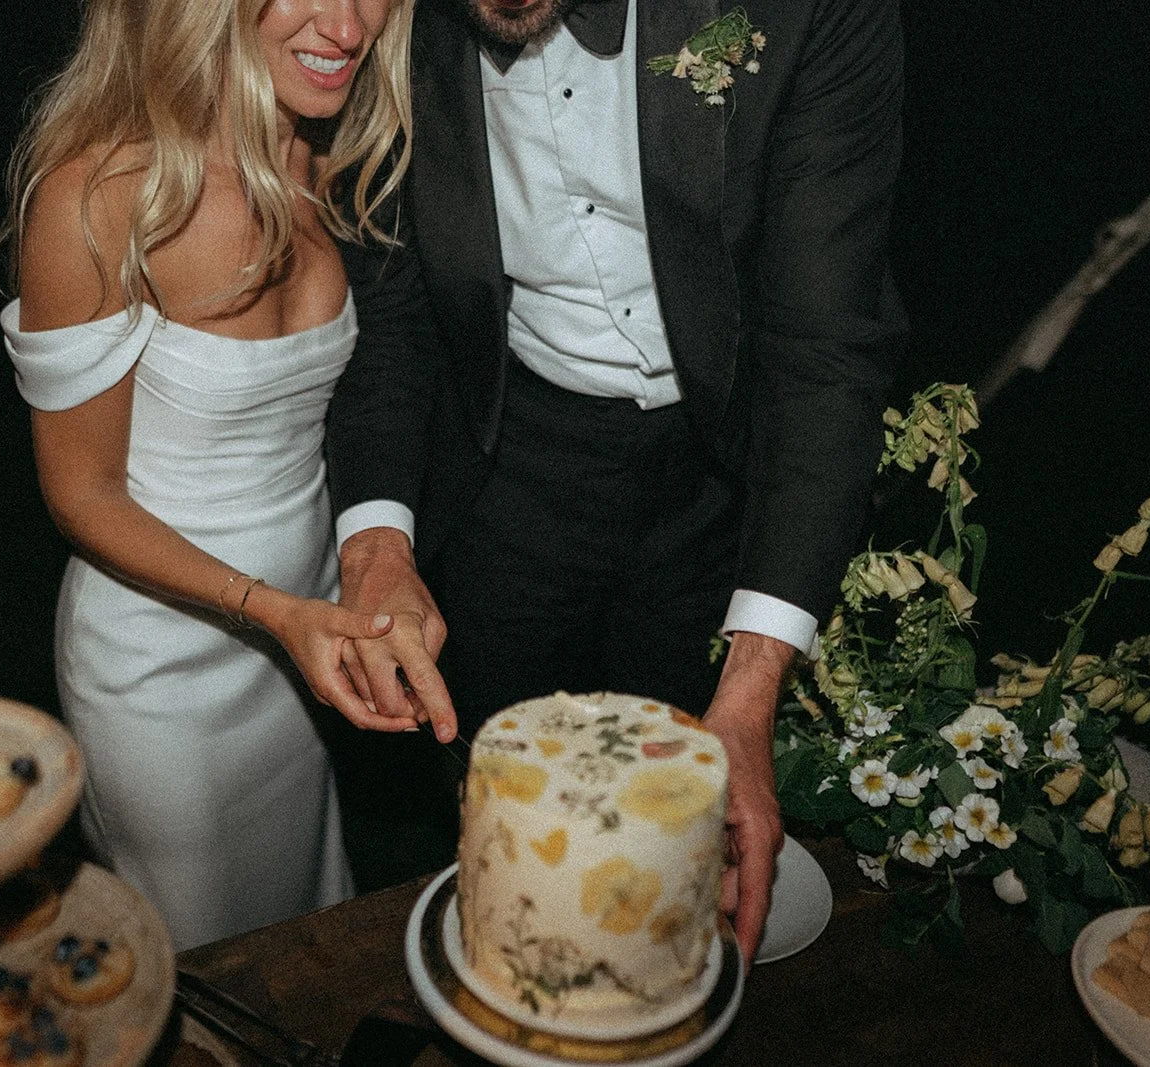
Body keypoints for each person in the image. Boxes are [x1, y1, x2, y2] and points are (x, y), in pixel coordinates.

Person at [326, 0, 907, 963]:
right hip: (506, 457)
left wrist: (754, 685)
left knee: (680, 860)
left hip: (724, 467)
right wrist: (380, 544)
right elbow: (388, 309)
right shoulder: (378, 16)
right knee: (499, 831)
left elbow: (823, 350)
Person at [0, 0, 421, 951]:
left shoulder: (335, 157)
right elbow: (81, 494)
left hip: (311, 641)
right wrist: (273, 610)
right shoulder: (100, 196)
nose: (349, 27)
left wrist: (357, 580)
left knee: (312, 934)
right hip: (165, 677)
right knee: (200, 976)